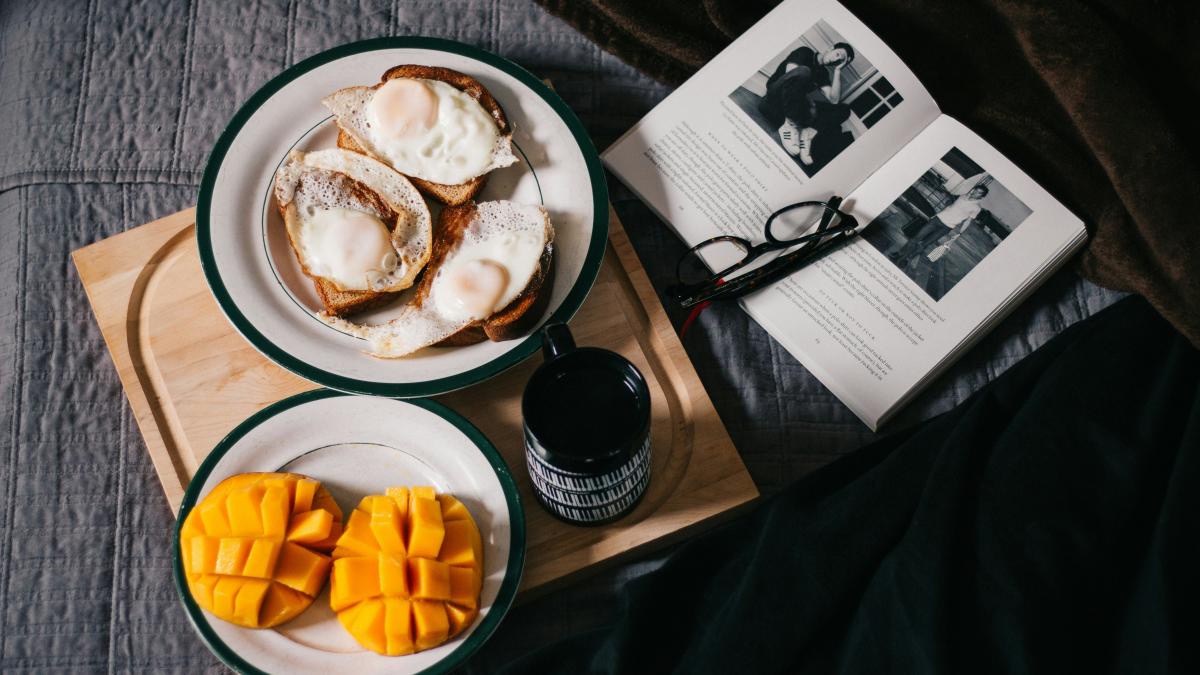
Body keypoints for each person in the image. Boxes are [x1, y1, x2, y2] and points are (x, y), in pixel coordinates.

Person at [889, 184, 990, 264]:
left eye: (979, 192)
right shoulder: (962, 196)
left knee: (925, 244)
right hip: (937, 220)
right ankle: (899, 254)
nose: (975, 192)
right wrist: (936, 215)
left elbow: (968, 220)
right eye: (975, 190)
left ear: (981, 196)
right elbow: (951, 207)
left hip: (947, 227)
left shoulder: (976, 208)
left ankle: (906, 259)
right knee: (916, 238)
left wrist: (960, 233)